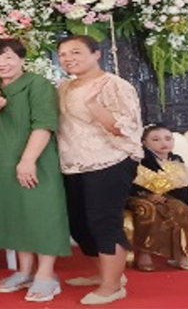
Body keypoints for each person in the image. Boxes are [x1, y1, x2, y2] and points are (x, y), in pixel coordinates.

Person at [0, 39, 70, 302]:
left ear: (22, 59)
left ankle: (46, 274)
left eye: (8, 57)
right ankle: (24, 271)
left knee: (42, 213)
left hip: (36, 159)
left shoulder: (38, 84)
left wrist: (28, 160)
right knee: (16, 213)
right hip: (0, 160)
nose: (2, 63)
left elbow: (44, 124)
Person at [56, 35, 144, 305]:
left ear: (96, 54)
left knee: (103, 222)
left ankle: (112, 286)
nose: (68, 58)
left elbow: (122, 127)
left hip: (110, 161)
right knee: (79, 224)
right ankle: (106, 274)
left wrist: (93, 105)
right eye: (63, 54)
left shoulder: (114, 84)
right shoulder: (63, 87)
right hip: (73, 163)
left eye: (76, 52)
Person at [127, 123, 188, 272]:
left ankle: (181, 255)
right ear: (144, 143)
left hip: (167, 198)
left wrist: (174, 199)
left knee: (180, 209)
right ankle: (144, 253)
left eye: (168, 138)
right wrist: (148, 195)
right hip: (141, 197)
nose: (163, 143)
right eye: (156, 139)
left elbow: (183, 185)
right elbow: (129, 184)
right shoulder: (138, 160)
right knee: (149, 209)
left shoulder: (176, 159)